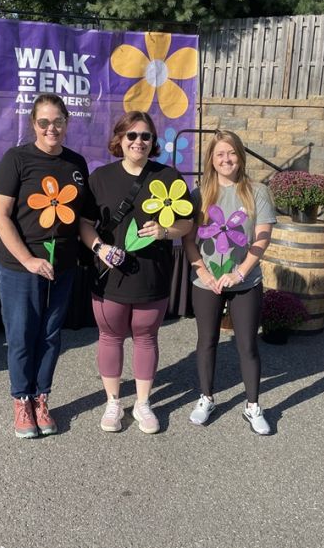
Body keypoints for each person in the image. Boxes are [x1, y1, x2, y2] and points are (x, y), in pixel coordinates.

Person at [80, 111, 193, 434]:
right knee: (110, 337)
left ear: (153, 142)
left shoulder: (169, 176)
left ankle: (143, 403)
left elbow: (188, 222)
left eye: (145, 136)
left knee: (146, 337)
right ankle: (113, 402)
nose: (138, 142)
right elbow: (85, 225)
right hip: (110, 275)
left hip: (151, 274)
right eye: (131, 135)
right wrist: (100, 248)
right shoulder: (101, 177)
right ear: (119, 139)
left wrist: (166, 231)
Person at [0, 94, 91, 439]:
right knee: (22, 335)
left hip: (62, 267)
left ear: (67, 123)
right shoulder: (16, 159)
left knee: (50, 335)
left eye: (58, 121)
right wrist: (29, 260)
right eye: (44, 122)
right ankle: (21, 400)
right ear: (34, 124)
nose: (52, 128)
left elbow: (80, 218)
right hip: (20, 266)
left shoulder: (76, 164)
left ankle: (41, 398)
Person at [181, 130, 276, 434]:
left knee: (247, 345)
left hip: (245, 282)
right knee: (206, 342)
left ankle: (252, 406)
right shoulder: (199, 195)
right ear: (211, 159)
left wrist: (240, 272)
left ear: (241, 157)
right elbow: (189, 241)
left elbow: (263, 237)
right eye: (220, 154)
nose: (226, 159)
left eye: (232, 153)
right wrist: (205, 274)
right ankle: (206, 397)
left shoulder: (257, 192)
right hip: (206, 283)